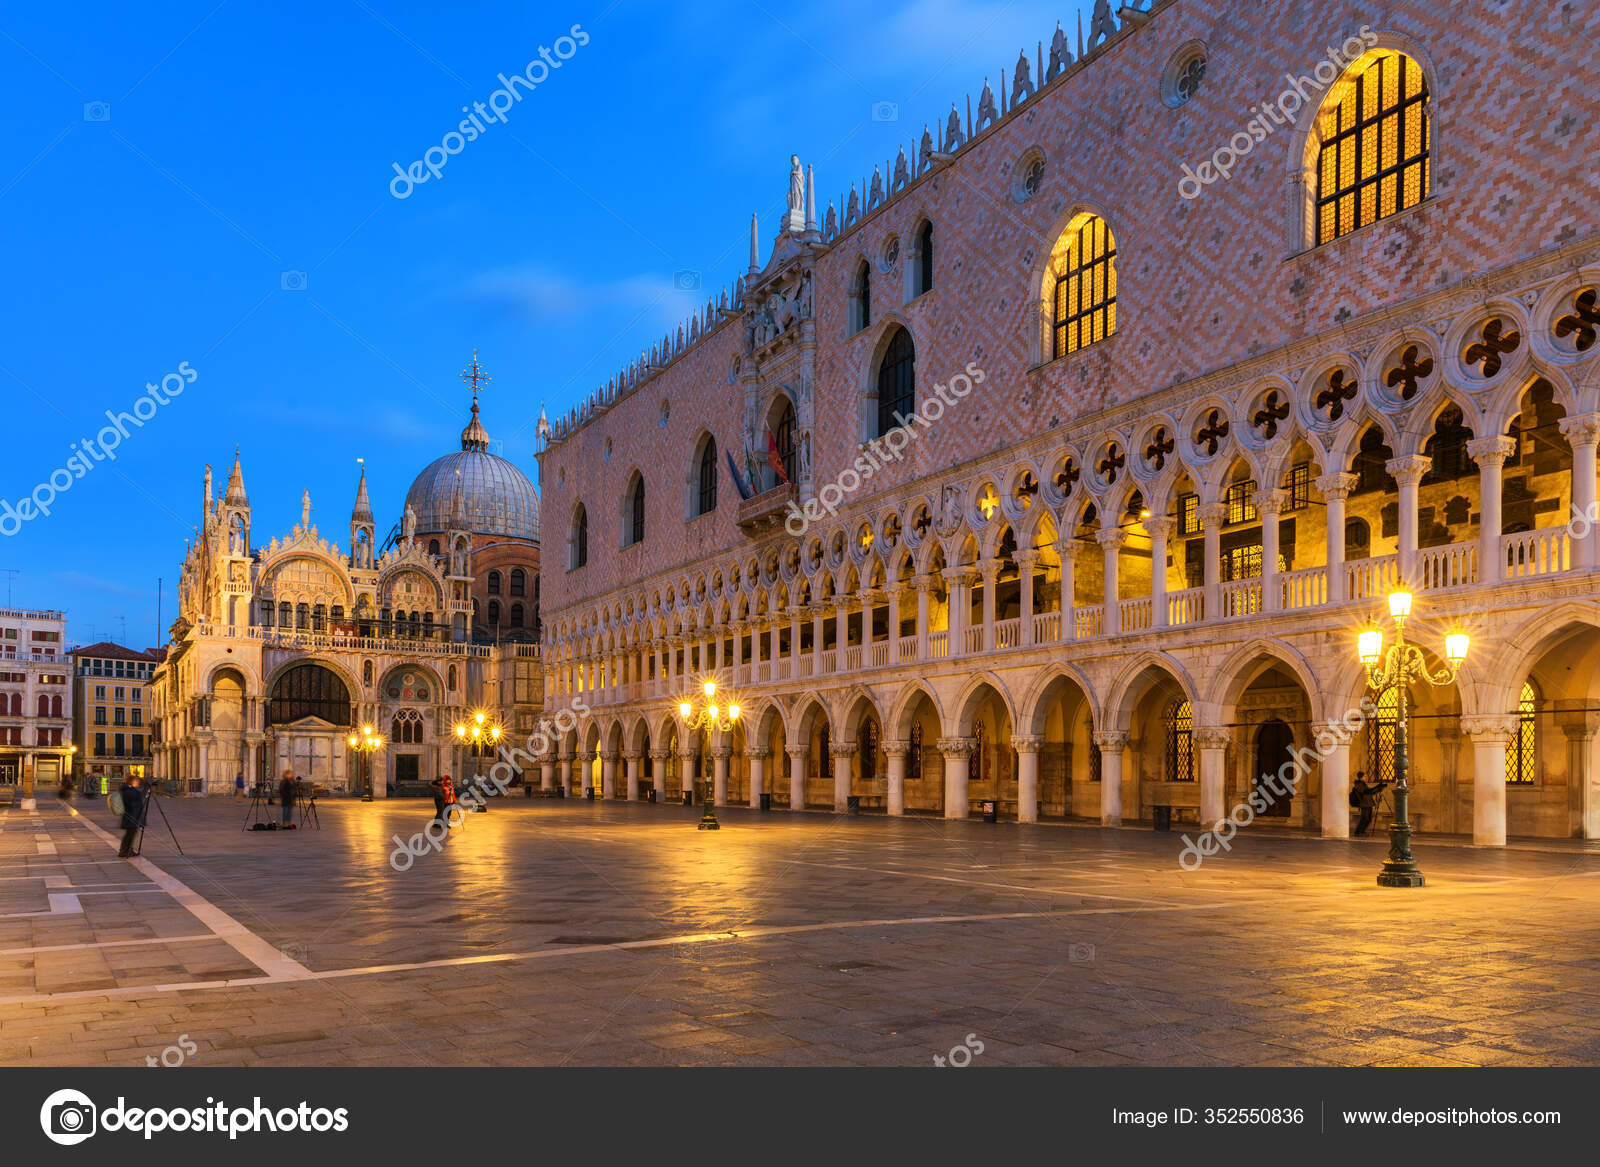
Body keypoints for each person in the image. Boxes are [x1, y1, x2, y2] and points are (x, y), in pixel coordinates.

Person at [1349, 770, 1389, 836]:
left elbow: (1370, 792)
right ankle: (1358, 832)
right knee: (1365, 818)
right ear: (1361, 777)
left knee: (1369, 818)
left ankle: (1362, 831)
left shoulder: (1363, 784)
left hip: (1368, 803)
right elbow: (1366, 792)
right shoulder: (1359, 784)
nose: (1366, 777)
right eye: (1364, 776)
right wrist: (1377, 786)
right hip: (1364, 804)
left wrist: (1379, 789)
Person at [117, 775, 145, 858]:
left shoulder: (127, 790)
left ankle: (127, 850)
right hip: (132, 816)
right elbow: (135, 803)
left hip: (130, 816)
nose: (138, 782)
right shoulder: (130, 791)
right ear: (132, 782)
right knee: (130, 834)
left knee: (130, 833)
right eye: (136, 781)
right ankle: (125, 851)